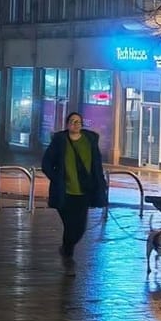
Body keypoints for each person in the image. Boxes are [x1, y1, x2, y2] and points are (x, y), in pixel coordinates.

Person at [40, 111, 109, 262]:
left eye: (78, 122)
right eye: (72, 121)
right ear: (67, 124)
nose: (75, 124)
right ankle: (68, 253)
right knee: (70, 225)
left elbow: (96, 165)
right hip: (64, 192)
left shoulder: (89, 141)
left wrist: (100, 182)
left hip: (83, 192)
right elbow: (46, 163)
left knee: (80, 227)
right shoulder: (60, 141)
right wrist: (56, 178)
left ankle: (66, 248)